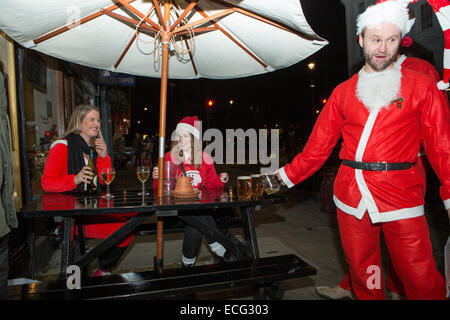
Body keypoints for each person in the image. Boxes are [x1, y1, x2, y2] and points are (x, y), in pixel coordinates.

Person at [276, 0, 449, 300]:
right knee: (364, 274)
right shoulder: (342, 92)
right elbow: (316, 149)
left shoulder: (422, 85)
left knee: (418, 275)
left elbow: (443, 148)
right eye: (375, 39)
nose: (383, 48)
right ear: (361, 40)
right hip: (351, 196)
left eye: (391, 39)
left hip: (401, 194)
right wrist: (282, 177)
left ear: (400, 41)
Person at [316, 54, 447, 300]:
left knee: (410, 256)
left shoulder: (419, 69)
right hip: (360, 176)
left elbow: (436, 129)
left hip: (404, 166)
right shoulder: (361, 74)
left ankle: (398, 288)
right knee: (362, 251)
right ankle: (356, 285)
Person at [41, 104, 136, 276]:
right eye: (91, 119)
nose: (97, 123)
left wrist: (103, 155)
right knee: (124, 229)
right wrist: (74, 179)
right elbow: (47, 183)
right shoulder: (61, 146)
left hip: (91, 208)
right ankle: (93, 277)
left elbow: (103, 179)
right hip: (71, 215)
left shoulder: (92, 149)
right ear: (79, 122)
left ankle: (102, 271)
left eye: (98, 120)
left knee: (129, 225)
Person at [152, 116, 233, 267]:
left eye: (185, 136)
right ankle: (217, 245)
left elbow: (211, 188)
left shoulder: (205, 158)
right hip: (174, 209)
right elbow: (159, 190)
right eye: (178, 135)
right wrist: (157, 178)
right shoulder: (170, 157)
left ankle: (187, 265)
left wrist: (220, 180)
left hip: (197, 209)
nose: (180, 139)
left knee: (195, 221)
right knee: (197, 215)